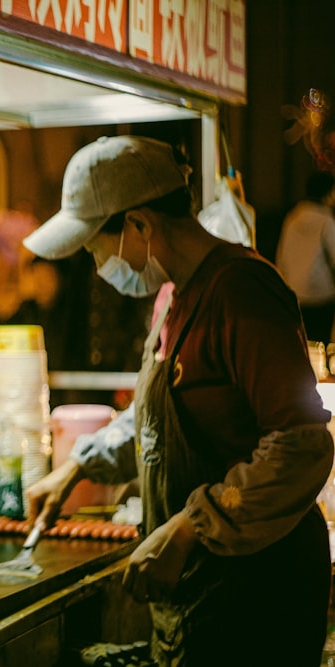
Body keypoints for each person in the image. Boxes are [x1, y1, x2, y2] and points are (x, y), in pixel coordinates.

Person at [21, 135, 334, 666]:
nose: (97, 265)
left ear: (140, 225)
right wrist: (78, 464)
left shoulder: (241, 292)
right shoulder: (175, 296)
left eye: (96, 247)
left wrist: (192, 524)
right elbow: (158, 418)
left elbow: (299, 447)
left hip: (256, 598)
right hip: (201, 592)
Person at [275, 170, 335, 342]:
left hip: (295, 294)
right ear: (328, 193)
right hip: (322, 295)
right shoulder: (326, 221)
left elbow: (281, 257)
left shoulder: (292, 218)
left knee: (304, 344)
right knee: (322, 345)